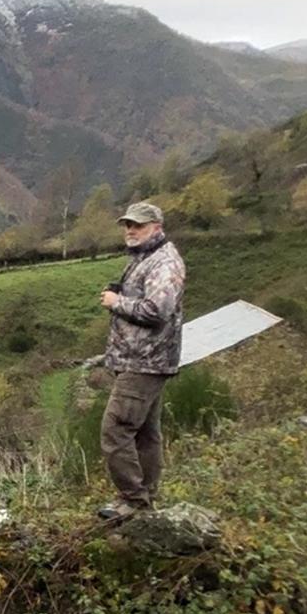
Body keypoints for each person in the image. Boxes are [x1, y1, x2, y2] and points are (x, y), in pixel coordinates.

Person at [95, 202, 185, 522]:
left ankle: (133, 500)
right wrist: (121, 292)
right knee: (146, 433)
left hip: (145, 361)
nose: (131, 231)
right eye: (128, 225)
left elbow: (157, 310)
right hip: (143, 359)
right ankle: (145, 498)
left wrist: (118, 302)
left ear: (157, 227)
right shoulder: (145, 258)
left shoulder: (164, 262)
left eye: (139, 225)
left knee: (115, 428)